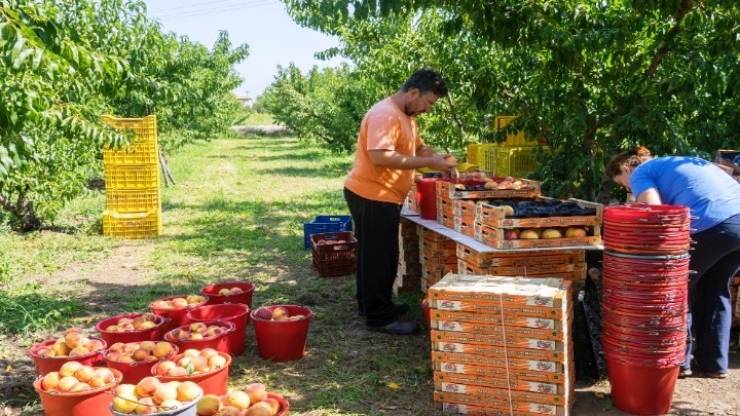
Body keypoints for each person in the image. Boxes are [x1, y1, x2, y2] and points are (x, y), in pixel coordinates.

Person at [606, 146, 740, 378]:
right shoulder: (679, 160)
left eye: (623, 183)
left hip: (711, 225)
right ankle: (714, 364)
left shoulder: (641, 172)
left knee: (677, 289)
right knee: (715, 289)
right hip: (737, 220)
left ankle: (679, 362)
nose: (628, 189)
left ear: (626, 168)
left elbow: (654, 212)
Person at [343, 69, 457, 335]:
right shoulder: (386, 114)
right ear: (414, 92)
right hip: (371, 194)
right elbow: (381, 156)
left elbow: (416, 148)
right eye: (428, 102)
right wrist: (429, 163)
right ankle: (379, 317)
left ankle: (372, 304)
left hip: (381, 195)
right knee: (380, 257)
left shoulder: (406, 115)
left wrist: (436, 158)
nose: (427, 109)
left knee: (376, 254)